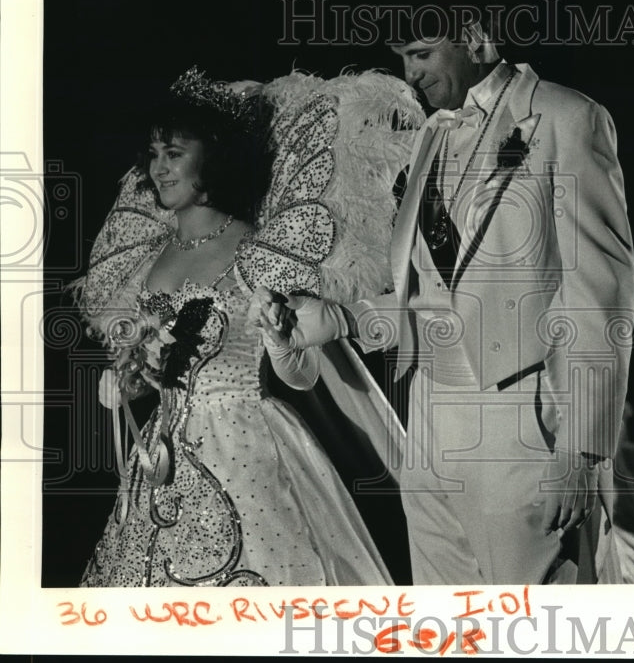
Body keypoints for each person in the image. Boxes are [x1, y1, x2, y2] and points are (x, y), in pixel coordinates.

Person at [257, 0, 634, 584]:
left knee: (540, 629)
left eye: (423, 55)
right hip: (429, 417)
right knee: (447, 629)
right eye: (402, 58)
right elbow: (434, 299)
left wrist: (582, 447)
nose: (409, 75)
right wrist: (341, 319)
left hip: (522, 422)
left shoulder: (568, 117)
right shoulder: (434, 134)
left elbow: (600, 292)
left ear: (480, 40)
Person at [74, 67, 422, 586]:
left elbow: (302, 374)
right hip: (161, 461)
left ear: (211, 157)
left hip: (249, 452)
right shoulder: (152, 258)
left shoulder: (255, 251)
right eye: (153, 154)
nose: (159, 169)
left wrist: (281, 339)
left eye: (174, 153)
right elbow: (162, 368)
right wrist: (131, 378)